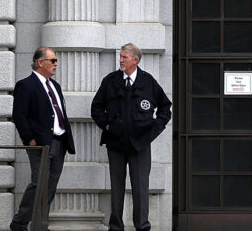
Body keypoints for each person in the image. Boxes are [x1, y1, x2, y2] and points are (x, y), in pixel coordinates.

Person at [91, 43, 172, 231]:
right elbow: (96, 108)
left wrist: (154, 130)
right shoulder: (110, 81)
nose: (120, 60)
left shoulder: (148, 82)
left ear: (136, 60)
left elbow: (165, 109)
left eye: (124, 57)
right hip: (116, 144)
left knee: (140, 189)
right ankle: (116, 227)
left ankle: (142, 226)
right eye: (120, 56)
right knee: (116, 188)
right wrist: (106, 124)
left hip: (140, 145)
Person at [10, 47, 76, 231]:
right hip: (40, 143)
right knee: (39, 183)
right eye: (53, 60)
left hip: (59, 142)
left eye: (56, 60)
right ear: (41, 62)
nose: (56, 64)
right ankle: (20, 223)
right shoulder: (26, 85)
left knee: (51, 185)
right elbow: (19, 116)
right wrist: (30, 140)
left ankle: (40, 224)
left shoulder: (55, 86)